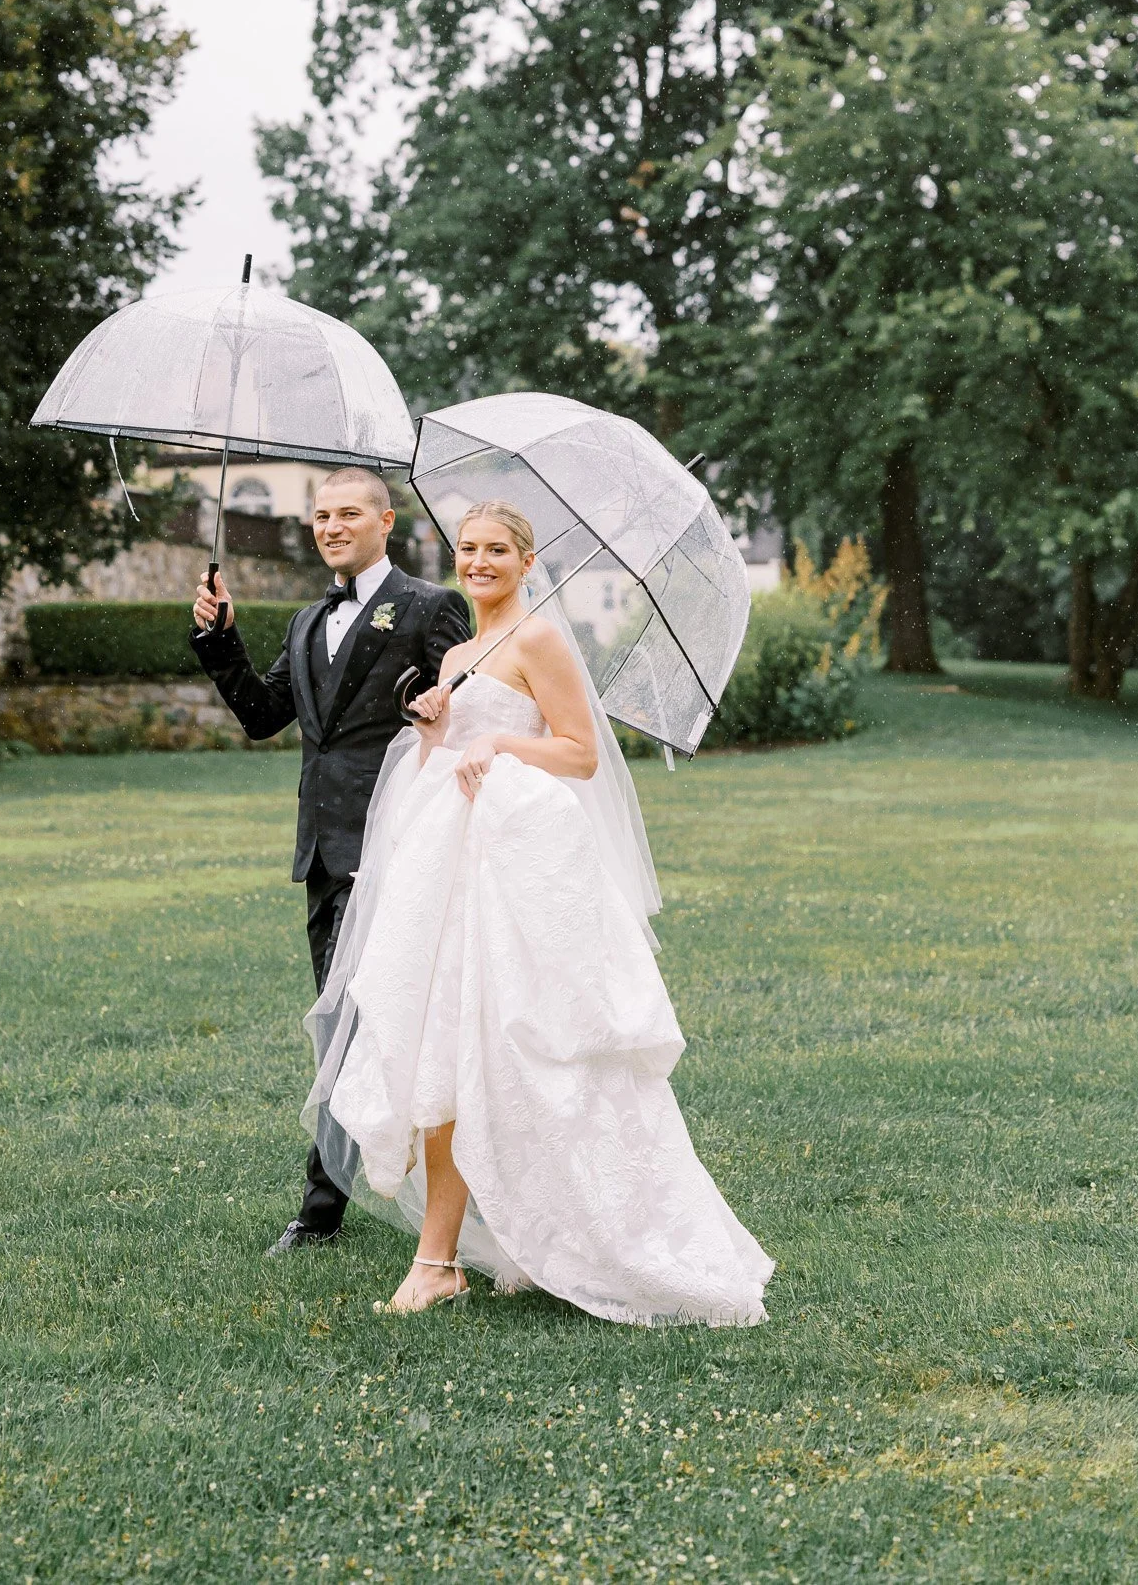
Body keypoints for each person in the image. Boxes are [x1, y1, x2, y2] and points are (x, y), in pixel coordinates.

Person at [303, 500, 774, 1323]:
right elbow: (443, 765)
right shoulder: (458, 653)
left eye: (497, 550)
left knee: (519, 1051)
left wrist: (496, 743)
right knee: (446, 1047)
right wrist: (438, 727)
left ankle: (466, 1255)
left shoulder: (539, 639)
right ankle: (455, 1256)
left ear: (527, 563)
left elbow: (579, 753)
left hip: (517, 871)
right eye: (468, 549)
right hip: (451, 868)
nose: (478, 562)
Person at [191, 466, 470, 1254]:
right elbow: (262, 714)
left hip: (399, 846)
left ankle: (321, 1213)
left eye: (348, 513)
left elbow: (469, 714)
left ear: (385, 521)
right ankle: (369, 1183)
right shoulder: (307, 622)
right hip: (321, 852)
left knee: (360, 1022)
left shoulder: (429, 608)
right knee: (341, 1024)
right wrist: (218, 639)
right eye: (320, 516)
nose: (331, 527)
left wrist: (442, 712)